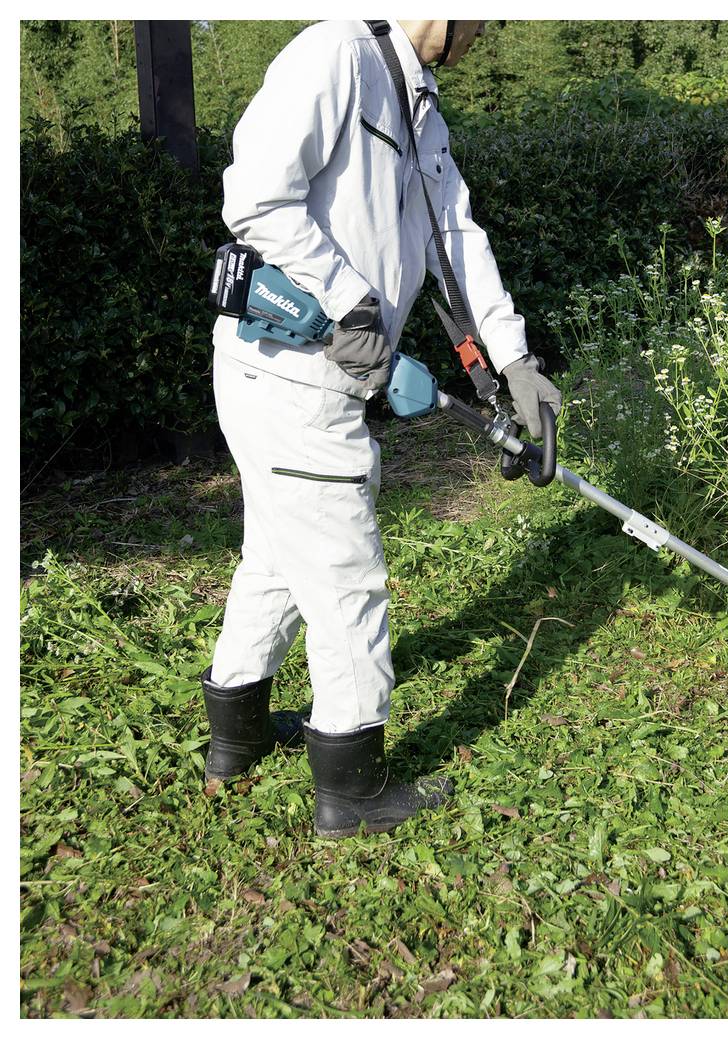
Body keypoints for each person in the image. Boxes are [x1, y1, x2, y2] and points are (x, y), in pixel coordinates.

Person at [201, 19, 562, 838]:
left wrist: (511, 361)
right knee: (345, 573)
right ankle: (353, 786)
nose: (488, 34)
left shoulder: (415, 97)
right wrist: (347, 304)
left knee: (278, 551)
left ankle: (236, 732)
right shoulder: (334, 54)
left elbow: (453, 236)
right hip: (295, 374)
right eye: (489, 18)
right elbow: (254, 196)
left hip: (308, 376)